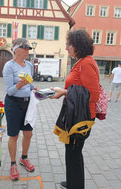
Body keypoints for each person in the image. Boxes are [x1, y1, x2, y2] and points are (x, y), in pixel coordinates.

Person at [51, 29, 100, 189]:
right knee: (72, 152)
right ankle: (73, 181)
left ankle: (76, 185)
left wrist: (64, 92)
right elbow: (78, 87)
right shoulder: (80, 62)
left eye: (68, 45)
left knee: (74, 152)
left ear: (78, 45)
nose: (66, 48)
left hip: (82, 118)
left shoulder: (87, 63)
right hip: (75, 114)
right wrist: (62, 90)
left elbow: (93, 95)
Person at [3, 38, 36, 181]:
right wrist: (20, 85)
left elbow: (30, 85)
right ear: (16, 49)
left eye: (29, 48)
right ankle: (12, 164)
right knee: (14, 135)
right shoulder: (8, 66)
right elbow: (10, 91)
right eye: (25, 48)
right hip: (13, 104)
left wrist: (35, 89)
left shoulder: (29, 65)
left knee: (28, 133)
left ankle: (24, 158)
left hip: (27, 103)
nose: (28, 50)